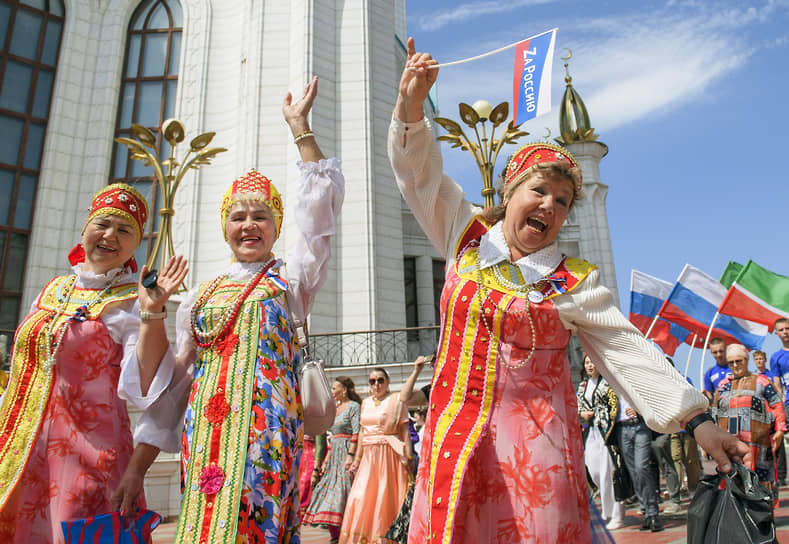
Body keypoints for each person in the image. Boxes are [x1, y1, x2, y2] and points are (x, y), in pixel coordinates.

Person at [388, 37, 750, 542]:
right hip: (457, 444)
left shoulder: (573, 279)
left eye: (562, 202)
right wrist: (409, 111)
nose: (550, 207)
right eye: (539, 191)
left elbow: (626, 350)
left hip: (533, 454)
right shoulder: (463, 237)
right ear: (510, 193)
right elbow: (419, 176)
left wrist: (698, 423)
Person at [136, 75, 345, 543]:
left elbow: (320, 218)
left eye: (261, 216)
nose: (249, 225)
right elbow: (169, 385)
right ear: (224, 227)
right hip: (204, 434)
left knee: (258, 526)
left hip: (268, 432)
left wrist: (300, 130)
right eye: (238, 216)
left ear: (275, 227)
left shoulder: (291, 281)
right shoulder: (200, 296)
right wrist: (151, 314)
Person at [0, 184, 187, 542]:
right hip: (23, 451)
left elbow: (147, 385)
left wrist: (152, 313)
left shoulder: (132, 300)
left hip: (90, 457)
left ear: (135, 245)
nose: (110, 236)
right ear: (85, 229)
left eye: (125, 230)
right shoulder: (51, 290)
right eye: (103, 224)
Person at [340, 368, 412, 544]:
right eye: (372, 381)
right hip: (369, 458)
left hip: (389, 457)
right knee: (361, 496)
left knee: (385, 499)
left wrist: (409, 458)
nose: (376, 384)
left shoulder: (396, 401)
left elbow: (405, 432)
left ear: (387, 382)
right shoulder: (365, 403)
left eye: (380, 380)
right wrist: (356, 459)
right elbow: (363, 433)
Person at [713, 344, 787, 503]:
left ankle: (764, 519)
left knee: (761, 485)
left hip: (758, 445)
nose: (734, 365)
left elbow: (777, 404)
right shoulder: (722, 385)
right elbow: (715, 411)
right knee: (734, 486)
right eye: (731, 362)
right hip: (730, 445)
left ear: (746, 360)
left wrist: (780, 429)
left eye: (738, 361)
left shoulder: (762, 381)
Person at [303, 377, 362, 544]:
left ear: (344, 390)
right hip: (334, 454)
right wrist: (326, 459)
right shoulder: (334, 409)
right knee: (327, 491)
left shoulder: (354, 407)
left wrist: (351, 456)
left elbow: (357, 433)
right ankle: (335, 534)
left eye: (334, 388)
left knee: (345, 491)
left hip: (346, 453)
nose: (331, 391)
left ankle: (349, 532)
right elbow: (331, 438)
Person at [576, 356, 625, 530]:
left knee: (609, 473)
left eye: (592, 362)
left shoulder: (607, 383)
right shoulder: (583, 386)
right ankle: (609, 510)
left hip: (606, 433)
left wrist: (601, 414)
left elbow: (614, 405)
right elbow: (578, 406)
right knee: (594, 470)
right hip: (591, 433)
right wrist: (583, 414)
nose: (590, 366)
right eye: (587, 363)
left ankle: (616, 514)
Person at [768, 319, 789, 485]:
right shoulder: (776, 357)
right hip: (787, 403)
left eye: (787, 328)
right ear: (777, 333)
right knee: (780, 437)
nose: (785, 332)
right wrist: (779, 405)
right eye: (781, 330)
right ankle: (781, 475)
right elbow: (777, 384)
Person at [299, 433, 326, 517]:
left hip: (312, 453)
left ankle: (306, 510)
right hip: (300, 451)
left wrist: (316, 467)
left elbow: (320, 444)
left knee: (307, 481)